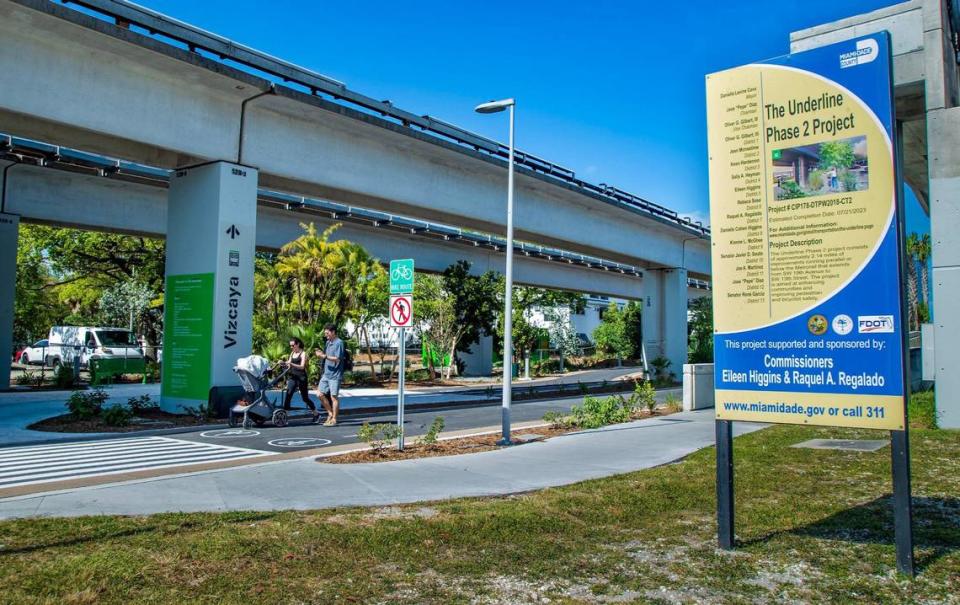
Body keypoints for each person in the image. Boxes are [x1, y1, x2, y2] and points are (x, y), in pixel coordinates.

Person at [281, 337, 321, 424]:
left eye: (293, 345)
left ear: (298, 344)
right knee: (288, 395)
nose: (291, 347)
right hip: (293, 377)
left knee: (305, 398)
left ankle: (316, 414)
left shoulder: (303, 353)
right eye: (290, 345)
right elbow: (288, 365)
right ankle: (285, 417)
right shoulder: (292, 353)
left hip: (301, 378)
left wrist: (291, 364)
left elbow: (302, 366)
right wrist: (283, 363)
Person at [314, 323, 345, 426]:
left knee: (333, 397)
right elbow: (326, 355)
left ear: (333, 332)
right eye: (325, 333)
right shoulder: (328, 342)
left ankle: (334, 419)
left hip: (335, 375)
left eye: (327, 333)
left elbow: (337, 359)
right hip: (326, 374)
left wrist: (324, 356)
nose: (326, 335)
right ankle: (330, 413)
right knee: (319, 394)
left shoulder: (339, 343)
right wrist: (320, 354)